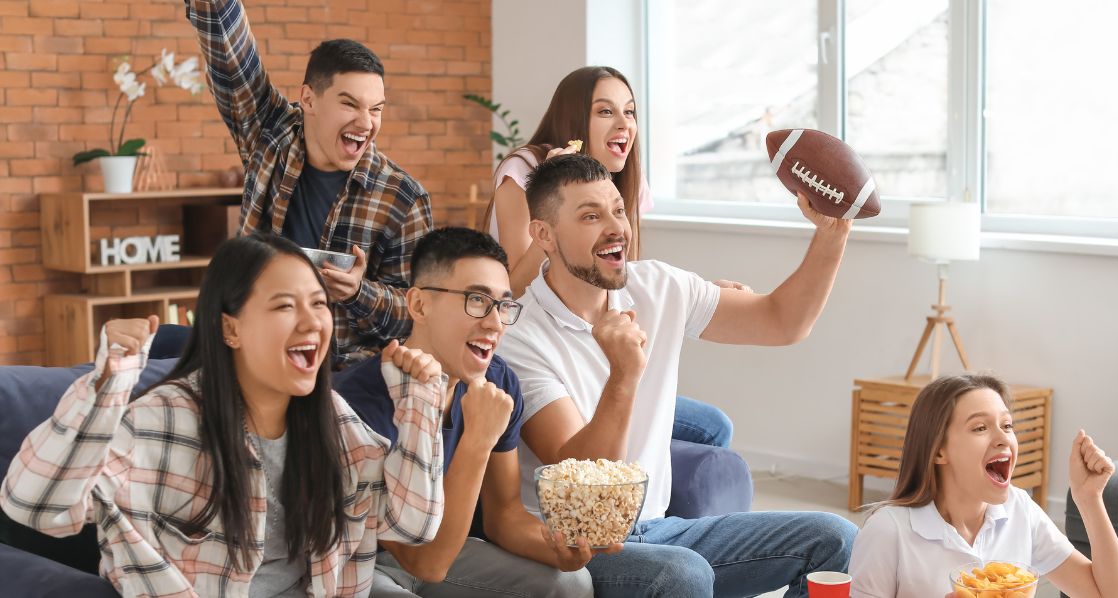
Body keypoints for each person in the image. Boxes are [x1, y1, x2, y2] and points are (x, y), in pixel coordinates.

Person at [0, 233, 447, 597]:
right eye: (285, 305)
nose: (313, 322)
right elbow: (37, 504)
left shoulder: (329, 418)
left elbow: (412, 525)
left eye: (319, 303)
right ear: (231, 327)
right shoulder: (167, 420)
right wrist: (107, 383)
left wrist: (418, 403)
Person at [498, 154, 857, 597]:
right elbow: (587, 487)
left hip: (659, 531)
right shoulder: (519, 338)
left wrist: (832, 233)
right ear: (544, 235)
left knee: (836, 537)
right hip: (579, 551)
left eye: (616, 209)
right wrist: (624, 374)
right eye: (590, 216)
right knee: (684, 573)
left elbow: (782, 321)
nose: (615, 228)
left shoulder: (659, 286)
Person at [185, 0, 432, 368]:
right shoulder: (271, 138)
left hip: (343, 372)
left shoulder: (402, 197)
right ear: (308, 100)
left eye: (377, 109)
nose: (366, 122)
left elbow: (419, 312)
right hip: (255, 350)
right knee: (166, 350)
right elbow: (234, 59)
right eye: (350, 104)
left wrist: (357, 291)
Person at [335, 227, 600, 597]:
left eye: (504, 305)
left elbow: (504, 514)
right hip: (360, 560)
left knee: (570, 583)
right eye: (476, 300)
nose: (494, 324)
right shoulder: (359, 403)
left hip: (450, 550)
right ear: (419, 305)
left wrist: (557, 548)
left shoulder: (498, 382)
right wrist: (477, 439)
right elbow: (424, 562)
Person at [488, 65, 737, 450]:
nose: (623, 123)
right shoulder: (522, 171)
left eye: (630, 111)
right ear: (574, 120)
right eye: (605, 111)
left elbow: (620, 275)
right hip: (543, 352)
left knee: (714, 426)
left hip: (599, 350)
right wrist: (553, 212)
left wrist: (699, 292)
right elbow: (512, 292)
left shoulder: (620, 179)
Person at [847, 373, 1118, 598]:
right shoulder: (888, 532)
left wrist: (1089, 498)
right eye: (980, 428)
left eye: (1007, 425)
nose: (1003, 438)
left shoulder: (1020, 510)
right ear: (938, 451)